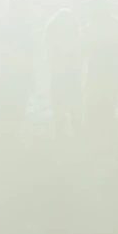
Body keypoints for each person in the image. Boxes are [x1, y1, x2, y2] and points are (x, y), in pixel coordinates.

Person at [81, 0, 118, 134]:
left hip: (96, 71)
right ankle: (107, 131)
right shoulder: (117, 25)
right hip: (112, 70)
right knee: (109, 102)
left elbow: (82, 48)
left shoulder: (92, 27)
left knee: (93, 102)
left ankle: (93, 132)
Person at [44, 8, 84, 140]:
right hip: (68, 74)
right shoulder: (74, 35)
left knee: (61, 105)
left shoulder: (52, 33)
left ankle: (63, 133)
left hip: (62, 74)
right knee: (72, 105)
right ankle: (74, 133)